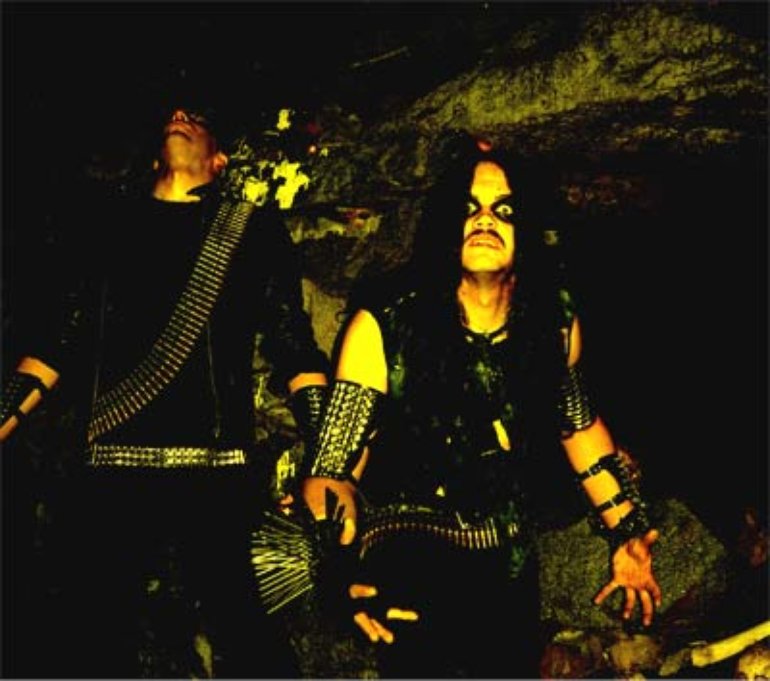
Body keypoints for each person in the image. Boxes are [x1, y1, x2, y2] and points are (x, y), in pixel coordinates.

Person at [299, 135, 662, 678]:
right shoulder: (386, 323)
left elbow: (578, 426)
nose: (485, 220)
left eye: (504, 210)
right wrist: (336, 565)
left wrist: (626, 529)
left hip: (506, 556)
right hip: (410, 549)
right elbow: (333, 468)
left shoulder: (553, 320)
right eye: (468, 209)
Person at [1, 104, 328, 678]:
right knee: (79, 635)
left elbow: (292, 344)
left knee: (244, 633)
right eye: (173, 115)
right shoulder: (105, 223)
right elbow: (59, 339)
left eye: (195, 117)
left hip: (216, 466)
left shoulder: (250, 228)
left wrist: (330, 457)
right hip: (111, 466)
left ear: (219, 159)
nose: (178, 115)